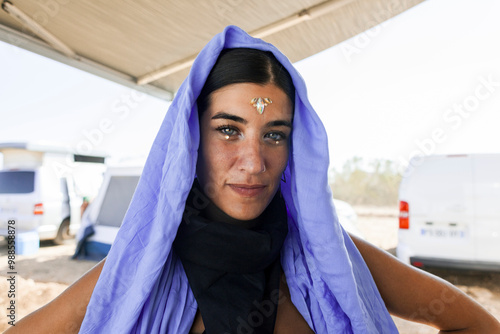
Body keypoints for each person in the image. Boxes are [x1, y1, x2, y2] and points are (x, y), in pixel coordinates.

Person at [6, 26, 500, 334]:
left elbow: (472, 321)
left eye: (275, 135)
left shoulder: (338, 262)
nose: (254, 161)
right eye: (228, 130)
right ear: (189, 142)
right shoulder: (133, 277)